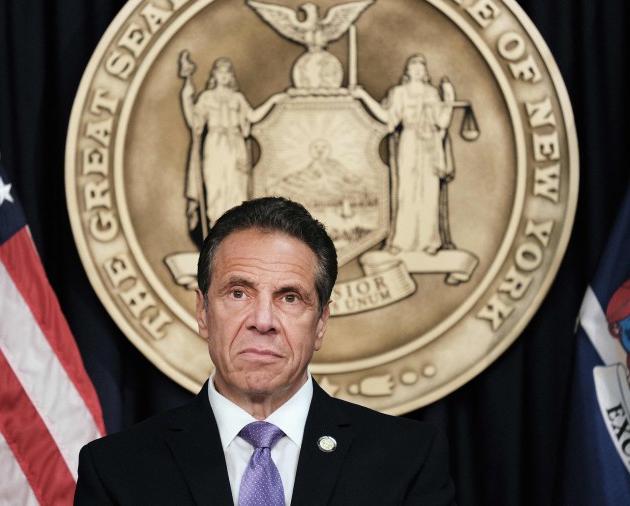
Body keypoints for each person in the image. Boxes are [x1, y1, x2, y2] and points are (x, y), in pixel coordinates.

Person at [74, 197, 456, 505]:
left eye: (289, 297)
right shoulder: (117, 470)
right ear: (203, 312)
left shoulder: (407, 460)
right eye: (238, 293)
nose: (262, 320)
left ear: (321, 321)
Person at [353, 54, 455, 254]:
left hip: (430, 147)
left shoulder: (432, 94)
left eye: (421, 67)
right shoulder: (399, 93)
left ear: (425, 72)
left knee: (429, 192)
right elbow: (387, 117)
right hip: (409, 141)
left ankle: (429, 242)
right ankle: (402, 242)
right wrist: (363, 96)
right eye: (413, 67)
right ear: (407, 71)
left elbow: (442, 122)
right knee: (406, 192)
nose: (417, 70)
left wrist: (449, 100)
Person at [180, 57, 285, 230]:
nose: (224, 76)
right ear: (214, 75)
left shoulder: (237, 98)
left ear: (231, 77)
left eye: (227, 72)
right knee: (215, 190)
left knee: (237, 190)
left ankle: (235, 234)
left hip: (236, 147)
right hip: (214, 146)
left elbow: (252, 117)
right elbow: (194, 123)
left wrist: (273, 100)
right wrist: (186, 96)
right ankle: (216, 234)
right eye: (220, 72)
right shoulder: (206, 97)